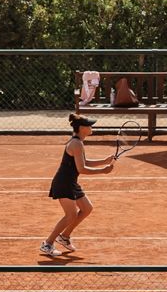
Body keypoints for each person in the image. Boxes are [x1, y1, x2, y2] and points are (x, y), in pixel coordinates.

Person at [41, 112, 115, 263]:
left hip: (71, 182)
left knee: (87, 208)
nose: (91, 127)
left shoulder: (78, 142)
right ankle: (47, 243)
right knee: (71, 215)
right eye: (89, 125)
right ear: (81, 128)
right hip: (64, 183)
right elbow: (81, 168)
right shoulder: (76, 143)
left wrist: (103, 161)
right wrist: (103, 171)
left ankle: (65, 236)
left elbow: (83, 161)